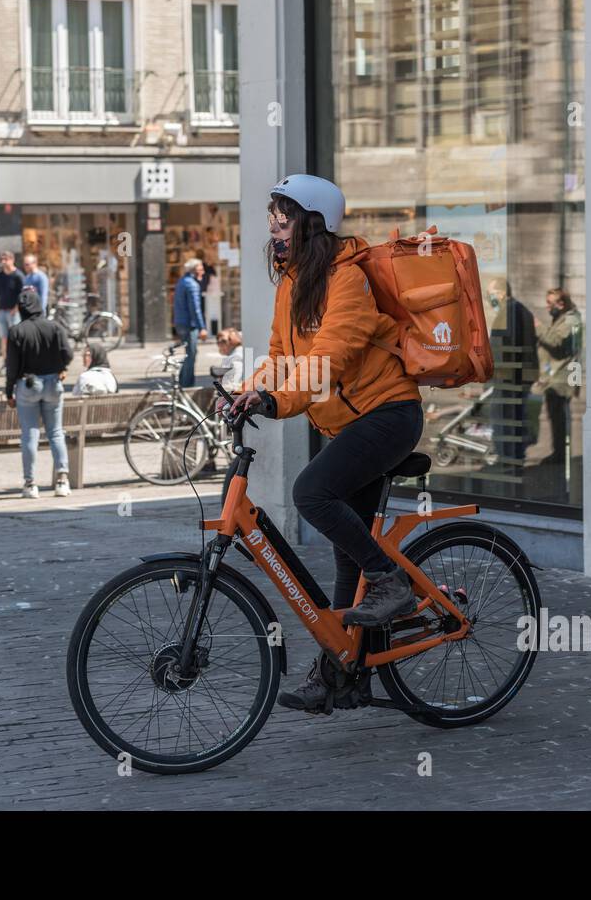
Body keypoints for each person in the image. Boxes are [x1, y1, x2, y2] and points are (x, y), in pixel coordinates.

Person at [231, 173, 422, 714]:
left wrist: (278, 403)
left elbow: (330, 359)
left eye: (283, 216)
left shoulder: (349, 280)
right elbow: (279, 358)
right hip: (348, 424)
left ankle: (392, 583)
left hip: (388, 416)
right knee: (346, 555)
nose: (273, 226)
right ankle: (346, 674)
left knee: (311, 492)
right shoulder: (294, 283)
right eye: (271, 215)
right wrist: (245, 393)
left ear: (314, 222)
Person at [5, 286, 74, 499]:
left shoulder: (17, 331)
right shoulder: (54, 327)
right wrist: (61, 367)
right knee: (55, 433)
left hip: (27, 385)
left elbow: (12, 366)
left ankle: (30, 483)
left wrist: (9, 392)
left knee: (30, 435)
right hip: (53, 383)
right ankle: (62, 480)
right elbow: (68, 354)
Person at [487, 277, 538, 463]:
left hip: (508, 377)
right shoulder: (522, 310)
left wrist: (490, 374)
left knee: (503, 416)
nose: (489, 298)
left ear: (500, 293)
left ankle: (506, 456)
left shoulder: (506, 313)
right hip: (519, 376)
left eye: (490, 294)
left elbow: (500, 348)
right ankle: (515, 455)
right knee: (516, 415)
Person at [533, 287, 583, 467]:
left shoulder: (571, 318)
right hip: (555, 376)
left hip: (562, 377)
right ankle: (559, 453)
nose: (547, 307)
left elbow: (556, 341)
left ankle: (560, 455)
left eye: (550, 303)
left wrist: (538, 328)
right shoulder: (563, 317)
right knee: (555, 417)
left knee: (559, 417)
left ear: (561, 304)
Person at [172, 259, 208, 388]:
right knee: (191, 354)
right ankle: (186, 385)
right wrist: (202, 327)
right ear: (194, 270)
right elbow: (195, 309)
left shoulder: (182, 281)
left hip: (180, 322)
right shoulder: (192, 284)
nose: (203, 272)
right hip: (189, 324)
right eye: (200, 269)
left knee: (189, 353)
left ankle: (182, 382)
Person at [0, 250, 25, 364]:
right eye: (2, 259)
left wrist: (16, 309)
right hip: (1, 311)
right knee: (4, 338)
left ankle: (17, 361)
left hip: (13, 312)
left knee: (15, 338)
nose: (3, 262)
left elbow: (22, 295)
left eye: (6, 259)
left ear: (12, 260)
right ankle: (5, 362)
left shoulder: (18, 276)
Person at [212, 327, 244, 391]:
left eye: (223, 341)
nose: (219, 343)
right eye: (218, 341)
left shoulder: (234, 357)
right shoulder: (240, 352)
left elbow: (234, 383)